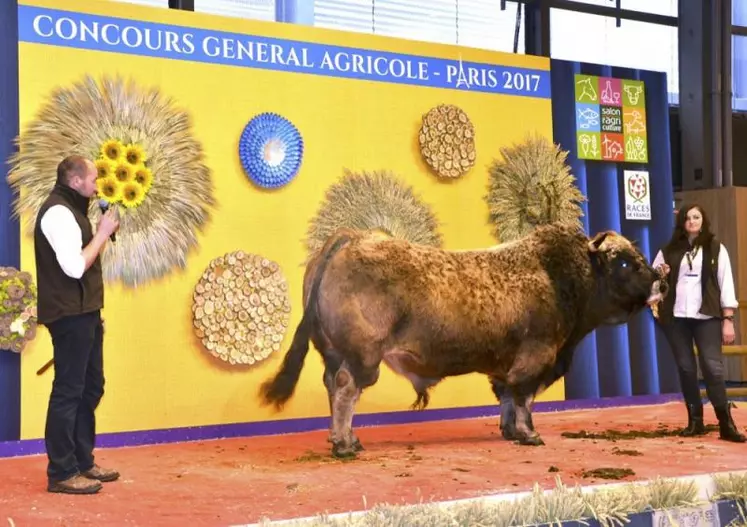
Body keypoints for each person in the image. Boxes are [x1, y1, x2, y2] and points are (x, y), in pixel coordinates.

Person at [34, 155, 121, 494]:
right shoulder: (57, 212)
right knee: (68, 391)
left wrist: (94, 314)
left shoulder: (75, 210)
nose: (98, 184)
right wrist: (102, 233)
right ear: (75, 181)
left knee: (91, 386)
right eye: (94, 178)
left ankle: (83, 461)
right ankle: (61, 472)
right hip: (68, 315)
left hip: (84, 312)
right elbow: (74, 267)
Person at [652, 204, 745, 443]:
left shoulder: (716, 248)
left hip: (708, 317)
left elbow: (726, 284)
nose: (692, 221)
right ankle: (695, 422)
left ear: (703, 220)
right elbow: (653, 283)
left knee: (713, 368)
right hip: (677, 319)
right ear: (681, 222)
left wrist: (728, 320)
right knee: (686, 368)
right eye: (687, 217)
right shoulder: (668, 250)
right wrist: (660, 277)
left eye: (696, 217)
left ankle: (726, 424)